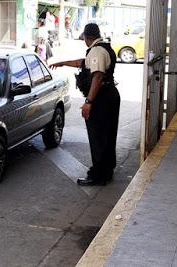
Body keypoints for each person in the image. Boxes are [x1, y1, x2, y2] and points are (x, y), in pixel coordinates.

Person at [50, 23, 121, 186]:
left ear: (87, 38)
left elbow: (97, 76)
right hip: (109, 95)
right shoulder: (103, 48)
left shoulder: (96, 50)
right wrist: (62, 63)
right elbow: (83, 63)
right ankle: (106, 171)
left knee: (98, 136)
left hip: (101, 98)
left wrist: (88, 102)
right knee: (108, 135)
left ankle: (98, 175)